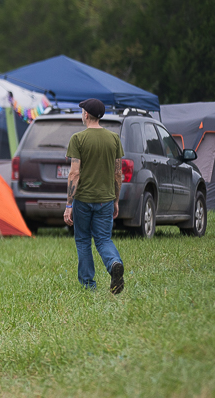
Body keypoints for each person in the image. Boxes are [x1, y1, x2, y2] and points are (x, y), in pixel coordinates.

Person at [63, 98, 125, 294]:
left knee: (83, 240)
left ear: (86, 115)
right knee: (104, 239)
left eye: (82, 111)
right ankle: (114, 263)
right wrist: (115, 199)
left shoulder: (78, 139)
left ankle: (88, 285)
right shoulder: (113, 139)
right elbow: (118, 173)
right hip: (105, 199)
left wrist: (69, 204)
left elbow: (74, 173)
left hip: (83, 199)